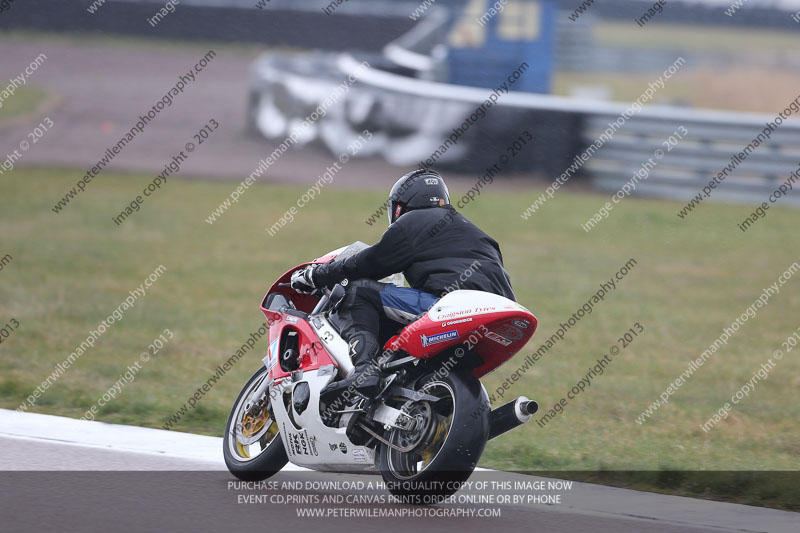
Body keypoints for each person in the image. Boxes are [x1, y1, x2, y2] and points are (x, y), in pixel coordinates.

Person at [290, 168, 514, 401]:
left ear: (399, 206)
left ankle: (364, 370)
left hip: (452, 307)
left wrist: (316, 275)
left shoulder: (415, 221)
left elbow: (369, 263)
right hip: (501, 318)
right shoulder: (474, 231)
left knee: (360, 291)